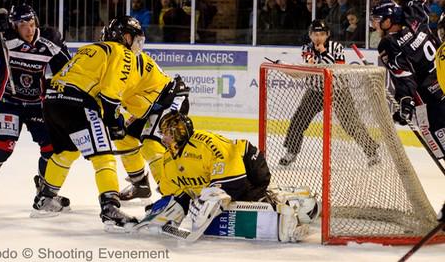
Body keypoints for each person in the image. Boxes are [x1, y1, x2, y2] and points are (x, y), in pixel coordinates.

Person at [136, 112, 320, 243]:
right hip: (227, 176)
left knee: (236, 199)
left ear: (178, 132)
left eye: (166, 133)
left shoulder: (205, 144)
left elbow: (234, 182)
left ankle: (292, 204)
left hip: (248, 164)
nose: (163, 138)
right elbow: (175, 195)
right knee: (214, 205)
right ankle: (281, 199)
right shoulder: (168, 161)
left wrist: (209, 198)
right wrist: (159, 212)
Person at [32, 16, 144, 228]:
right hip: (78, 102)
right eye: (134, 38)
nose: (136, 44)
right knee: (104, 157)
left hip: (52, 100)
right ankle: (110, 207)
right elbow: (111, 95)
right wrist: (115, 122)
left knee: (65, 152)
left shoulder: (90, 49)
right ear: (124, 37)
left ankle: (45, 198)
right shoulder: (122, 52)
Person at [0, 4, 71, 209]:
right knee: (3, 148)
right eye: (22, 24)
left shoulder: (49, 40)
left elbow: (66, 68)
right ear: (14, 26)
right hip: (8, 102)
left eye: (31, 23)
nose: (28, 29)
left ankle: (44, 191)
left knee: (51, 149)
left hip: (37, 104)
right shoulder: (5, 39)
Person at [372, 0, 445, 159]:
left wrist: (406, 102)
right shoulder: (414, 13)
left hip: (430, 99)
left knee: (438, 141)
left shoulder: (389, 44)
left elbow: (405, 77)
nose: (375, 23)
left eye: (377, 19)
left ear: (388, 20)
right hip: (443, 85)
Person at [279, 19, 379, 166]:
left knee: (351, 124)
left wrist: (323, 52)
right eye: (315, 34)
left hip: (338, 90)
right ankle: (291, 152)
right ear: (310, 35)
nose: (318, 37)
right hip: (316, 90)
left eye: (321, 34)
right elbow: (311, 66)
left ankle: (372, 153)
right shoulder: (306, 48)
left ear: (328, 35)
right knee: (298, 120)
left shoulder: (336, 47)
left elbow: (334, 68)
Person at [115, 52, 190, 202]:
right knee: (124, 137)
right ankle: (140, 184)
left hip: (171, 99)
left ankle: (173, 196)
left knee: (151, 144)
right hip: (152, 105)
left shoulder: (125, 61)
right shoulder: (118, 61)